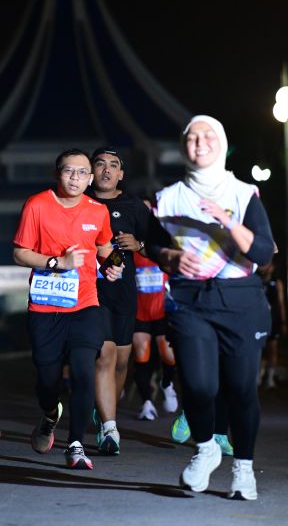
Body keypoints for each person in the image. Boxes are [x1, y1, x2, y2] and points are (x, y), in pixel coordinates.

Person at [150, 115, 274, 501]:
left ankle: (243, 469)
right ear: (183, 147)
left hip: (241, 300)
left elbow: (262, 251)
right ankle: (205, 449)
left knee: (241, 389)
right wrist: (170, 256)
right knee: (198, 385)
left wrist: (225, 220)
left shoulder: (242, 193)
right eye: (192, 138)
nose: (200, 143)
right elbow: (151, 245)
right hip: (191, 300)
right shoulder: (168, 197)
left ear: (221, 143)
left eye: (208, 136)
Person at [13, 148, 123, 470]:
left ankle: (76, 444)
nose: (75, 177)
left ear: (90, 179)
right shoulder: (37, 205)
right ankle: (50, 415)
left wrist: (115, 265)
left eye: (82, 172)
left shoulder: (97, 211)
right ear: (57, 173)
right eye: (68, 171)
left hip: (85, 304)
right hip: (44, 307)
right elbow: (20, 253)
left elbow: (105, 247)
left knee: (83, 371)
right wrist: (57, 263)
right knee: (47, 381)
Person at [87, 147, 152, 455]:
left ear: (121, 174)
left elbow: (159, 244)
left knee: (122, 361)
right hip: (90, 291)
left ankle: (105, 408)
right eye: (100, 164)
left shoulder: (133, 206)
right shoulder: (81, 201)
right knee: (105, 354)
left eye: (113, 165)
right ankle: (109, 427)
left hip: (124, 292)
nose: (106, 170)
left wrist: (139, 244)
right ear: (91, 171)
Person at [133, 250, 178, 420]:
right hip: (139, 312)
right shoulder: (132, 251)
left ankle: (166, 383)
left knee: (168, 355)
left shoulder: (162, 251)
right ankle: (147, 403)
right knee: (141, 354)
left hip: (162, 312)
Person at [257, 258, 287, 389]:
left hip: (273, 321)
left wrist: (283, 321)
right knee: (258, 349)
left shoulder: (277, 283)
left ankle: (270, 378)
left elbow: (281, 304)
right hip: (259, 321)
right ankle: (258, 376)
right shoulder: (256, 282)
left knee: (272, 349)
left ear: (273, 267)